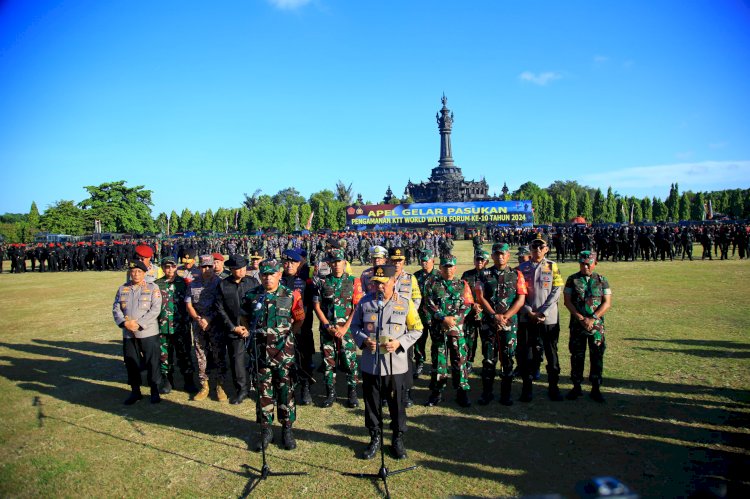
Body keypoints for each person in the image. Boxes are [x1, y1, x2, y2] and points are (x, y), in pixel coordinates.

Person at [350, 264, 423, 460]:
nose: (379, 287)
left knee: (397, 403)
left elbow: (417, 329)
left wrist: (400, 342)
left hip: (395, 364)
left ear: (393, 282)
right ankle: (374, 437)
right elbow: (355, 326)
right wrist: (364, 340)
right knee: (372, 404)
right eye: (376, 283)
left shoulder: (405, 303)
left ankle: (397, 439)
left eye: (383, 283)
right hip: (370, 364)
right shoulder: (365, 303)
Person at [241, 259, 305, 451]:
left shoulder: (291, 295)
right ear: (260, 275)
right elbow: (244, 317)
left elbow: (299, 319)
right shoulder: (251, 296)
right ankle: (266, 430)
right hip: (260, 353)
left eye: (271, 274)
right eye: (264, 274)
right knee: (264, 392)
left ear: (279, 274)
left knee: (286, 391)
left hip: (284, 353)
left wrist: (286, 335)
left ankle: (287, 429)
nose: (267, 278)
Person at [474, 242, 527, 406]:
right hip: (489, 323)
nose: (500, 256)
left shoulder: (517, 275)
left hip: (509, 324)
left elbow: (521, 299)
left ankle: (506, 394)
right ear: (492, 256)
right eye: (497, 253)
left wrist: (505, 317)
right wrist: (494, 315)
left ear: (508, 255)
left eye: (503, 253)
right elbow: (480, 297)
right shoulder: (483, 274)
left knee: (508, 359)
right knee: (489, 359)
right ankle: (487, 393)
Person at [312, 248, 364, 408]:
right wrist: (327, 325)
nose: (337, 265)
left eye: (339, 261)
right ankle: (331, 393)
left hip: (347, 330)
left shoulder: (354, 281)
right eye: (333, 262)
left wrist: (345, 327)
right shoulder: (321, 282)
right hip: (327, 330)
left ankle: (352, 393)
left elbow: (357, 306)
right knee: (328, 362)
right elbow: (317, 305)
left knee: (350, 361)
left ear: (344, 263)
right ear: (329, 263)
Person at [517, 238, 564, 402]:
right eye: (534, 246)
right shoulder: (522, 268)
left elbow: (557, 289)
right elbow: (519, 292)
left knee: (551, 353)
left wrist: (543, 311)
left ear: (546, 249)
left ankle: (553, 387)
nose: (537, 249)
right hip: (527, 317)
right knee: (527, 354)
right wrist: (529, 311)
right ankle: (527, 389)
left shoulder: (552, 266)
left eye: (540, 246)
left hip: (548, 317)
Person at [423, 255, 473, 407]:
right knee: (439, 361)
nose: (448, 269)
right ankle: (437, 392)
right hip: (439, 329)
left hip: (456, 330)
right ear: (440, 268)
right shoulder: (431, 284)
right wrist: (443, 318)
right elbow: (428, 303)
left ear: (455, 268)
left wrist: (454, 320)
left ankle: (462, 392)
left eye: (450, 266)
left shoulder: (462, 284)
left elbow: (467, 304)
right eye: (445, 266)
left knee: (459, 360)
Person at [563, 251, 612, 403]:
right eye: (582, 263)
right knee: (577, 355)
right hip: (578, 325)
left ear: (595, 263)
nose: (585, 266)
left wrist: (593, 318)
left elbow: (607, 303)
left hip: (596, 326)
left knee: (596, 355)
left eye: (588, 263)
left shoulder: (602, 280)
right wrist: (580, 318)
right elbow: (567, 301)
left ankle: (596, 387)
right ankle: (576, 386)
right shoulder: (572, 280)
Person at [112, 260, 163, 405]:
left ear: (144, 273)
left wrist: (139, 324)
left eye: (139, 272)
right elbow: (116, 308)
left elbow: (155, 309)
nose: (135, 274)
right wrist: (124, 323)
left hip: (147, 332)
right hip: (128, 332)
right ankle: (135, 391)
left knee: (152, 362)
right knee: (131, 362)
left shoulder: (153, 288)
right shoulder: (123, 289)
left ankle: (154, 390)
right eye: (133, 271)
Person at [215, 254, 256, 404]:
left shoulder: (253, 283)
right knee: (237, 361)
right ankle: (241, 390)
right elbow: (220, 309)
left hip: (252, 329)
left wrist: (251, 327)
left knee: (257, 359)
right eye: (238, 268)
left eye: (244, 268)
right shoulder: (223, 285)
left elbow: (258, 305)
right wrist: (233, 327)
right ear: (231, 269)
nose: (242, 271)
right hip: (234, 329)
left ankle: (257, 387)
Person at [155, 256, 197, 395]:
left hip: (181, 326)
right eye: (166, 267)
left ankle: (188, 381)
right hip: (163, 327)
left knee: (184, 354)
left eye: (172, 266)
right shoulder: (156, 285)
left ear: (176, 267)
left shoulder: (184, 283)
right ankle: (167, 380)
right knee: (164, 355)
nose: (170, 269)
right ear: (162, 268)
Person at [185, 255, 226, 402]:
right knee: (200, 355)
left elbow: (221, 305)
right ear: (199, 267)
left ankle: (220, 386)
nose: (207, 269)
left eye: (209, 266)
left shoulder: (220, 283)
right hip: (198, 325)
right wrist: (198, 319)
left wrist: (209, 319)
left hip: (216, 325)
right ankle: (205, 386)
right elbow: (189, 305)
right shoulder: (192, 284)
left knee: (218, 354)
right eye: (204, 266)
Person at [460, 249, 489, 372]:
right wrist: (473, 306)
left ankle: (488, 362)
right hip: (470, 313)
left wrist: (482, 306)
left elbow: (493, 294)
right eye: (478, 259)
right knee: (470, 339)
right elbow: (462, 293)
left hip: (486, 313)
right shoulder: (467, 275)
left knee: (487, 340)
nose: (480, 261)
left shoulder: (491, 274)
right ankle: (469, 362)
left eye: (482, 259)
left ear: (486, 261)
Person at [413, 249, 440, 378]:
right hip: (419, 316)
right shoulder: (415, 276)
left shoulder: (439, 276)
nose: (424, 263)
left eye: (426, 260)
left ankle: (435, 366)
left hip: (435, 317)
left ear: (433, 261)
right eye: (422, 261)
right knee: (419, 343)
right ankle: (419, 364)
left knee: (436, 343)